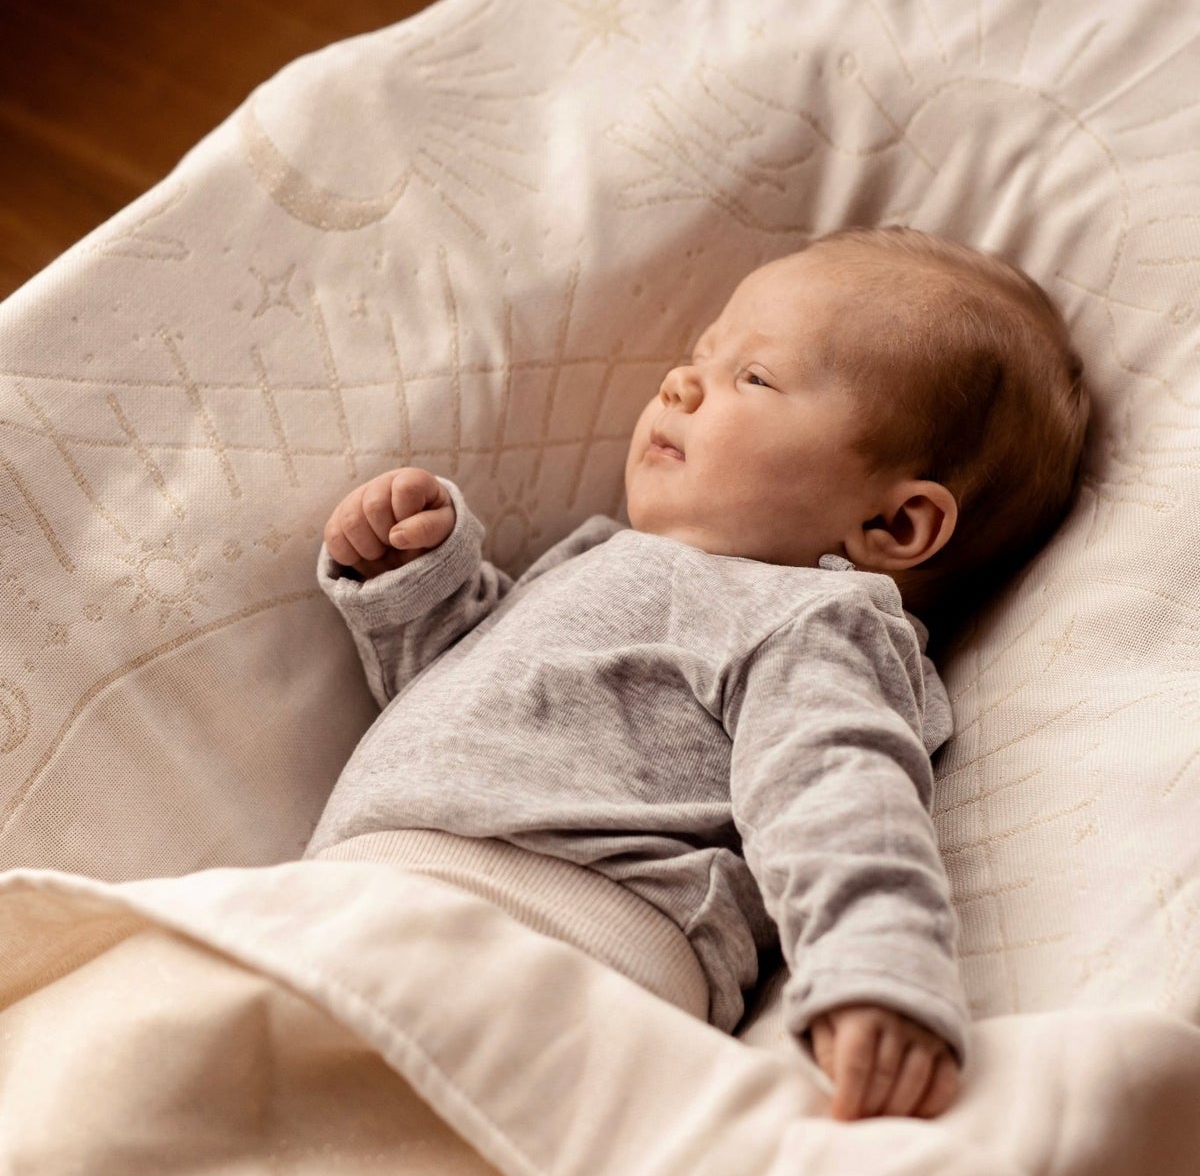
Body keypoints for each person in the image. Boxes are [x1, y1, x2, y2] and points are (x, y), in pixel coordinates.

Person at [305, 226, 1090, 1124]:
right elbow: (457, 710)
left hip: (550, 929)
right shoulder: (605, 559)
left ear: (895, 526)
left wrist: (878, 964)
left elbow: (837, 787)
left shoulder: (809, 618)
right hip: (363, 887)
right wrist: (416, 582)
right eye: (698, 355)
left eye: (752, 377)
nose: (680, 382)